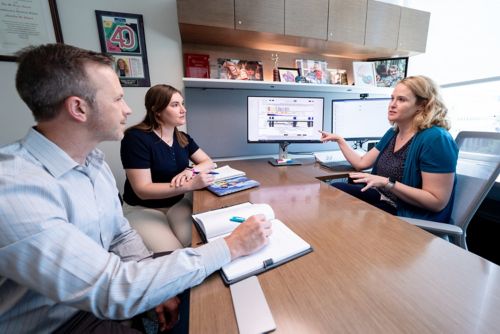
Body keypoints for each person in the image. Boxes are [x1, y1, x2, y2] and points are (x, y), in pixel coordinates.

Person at [0, 43, 272, 333]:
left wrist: (159, 286)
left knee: (216, 284)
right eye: (118, 99)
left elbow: (120, 234)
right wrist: (232, 245)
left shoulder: (93, 162)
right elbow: (111, 290)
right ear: (78, 107)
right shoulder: (14, 190)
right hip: (62, 322)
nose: (128, 109)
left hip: (106, 293)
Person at [320, 75, 458, 223]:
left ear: (422, 105)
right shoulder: (394, 132)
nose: (392, 104)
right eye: (392, 98)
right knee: (334, 191)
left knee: (344, 214)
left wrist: (388, 183)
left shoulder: (436, 138)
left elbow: (436, 202)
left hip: (406, 212)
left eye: (401, 99)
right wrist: (340, 140)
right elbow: (361, 163)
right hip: (383, 198)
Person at [120, 84, 214, 252]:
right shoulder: (135, 139)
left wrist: (190, 170)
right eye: (175, 105)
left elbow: (208, 162)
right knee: (175, 255)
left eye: (182, 104)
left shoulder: (183, 138)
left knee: (197, 245)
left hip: (177, 204)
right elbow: (143, 189)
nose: (183, 110)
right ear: (157, 110)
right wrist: (190, 185)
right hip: (143, 209)